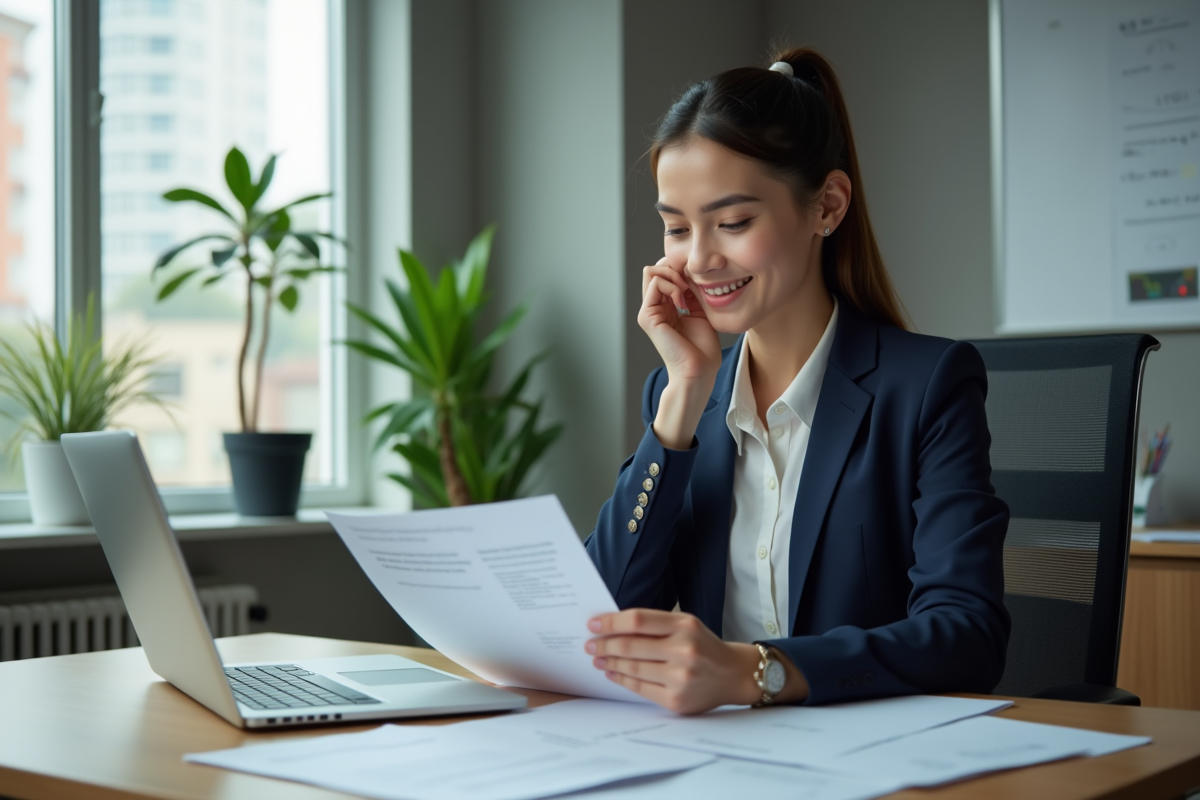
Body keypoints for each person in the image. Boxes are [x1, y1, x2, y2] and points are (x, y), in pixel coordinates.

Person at [583, 48, 1010, 714]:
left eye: (733, 222)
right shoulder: (682, 406)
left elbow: (966, 635)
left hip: (871, 762)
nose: (698, 259)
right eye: (675, 227)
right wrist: (681, 404)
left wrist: (756, 671)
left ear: (827, 207)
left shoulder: (929, 387)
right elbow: (601, 618)